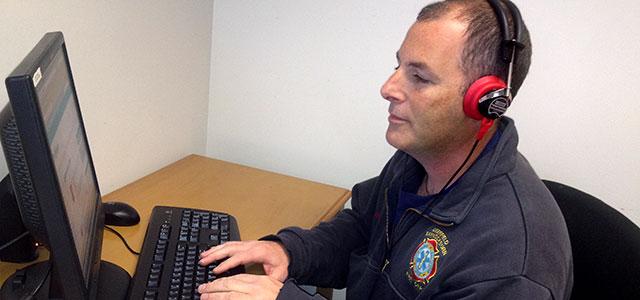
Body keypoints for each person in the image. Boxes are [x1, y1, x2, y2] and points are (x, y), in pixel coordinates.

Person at [197, 0, 573, 299]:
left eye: (419, 77)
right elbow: (363, 227)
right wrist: (291, 252)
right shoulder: (418, 161)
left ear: (483, 102)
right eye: (398, 66)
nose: (388, 87)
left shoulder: (509, 268)